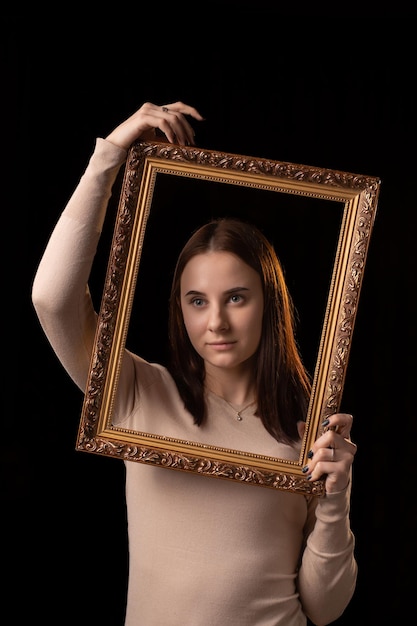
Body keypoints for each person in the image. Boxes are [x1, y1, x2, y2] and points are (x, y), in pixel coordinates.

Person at [32, 101, 358, 626]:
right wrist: (110, 156)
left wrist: (337, 497)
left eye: (236, 297)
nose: (217, 324)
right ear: (179, 310)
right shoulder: (138, 391)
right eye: (197, 301)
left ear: (268, 302)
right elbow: (52, 299)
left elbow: (323, 609)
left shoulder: (310, 432)